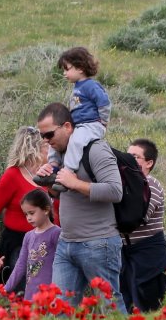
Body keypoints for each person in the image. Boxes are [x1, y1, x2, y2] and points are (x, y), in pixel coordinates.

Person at [37, 102, 124, 309]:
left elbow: (115, 191)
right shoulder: (62, 155)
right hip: (66, 243)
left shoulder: (95, 149)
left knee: (109, 307)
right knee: (59, 309)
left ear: (67, 126)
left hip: (98, 243)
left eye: (49, 135)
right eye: (42, 137)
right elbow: (61, 193)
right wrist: (50, 182)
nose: (47, 141)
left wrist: (75, 183)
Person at [0, 126, 50, 288]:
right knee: (20, 295)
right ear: (36, 150)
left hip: (49, 243)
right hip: (19, 246)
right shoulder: (13, 175)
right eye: (48, 146)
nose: (52, 151)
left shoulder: (51, 174)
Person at [38, 48, 111, 192]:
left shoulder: (90, 85)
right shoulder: (77, 87)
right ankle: (53, 166)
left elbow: (104, 103)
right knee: (57, 140)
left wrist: (103, 122)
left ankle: (68, 172)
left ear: (80, 68)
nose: (64, 74)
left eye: (67, 69)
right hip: (79, 125)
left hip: (91, 125)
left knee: (75, 142)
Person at [122, 138, 166, 311]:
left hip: (149, 253)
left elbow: (136, 217)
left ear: (149, 163)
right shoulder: (124, 184)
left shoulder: (151, 184)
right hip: (126, 253)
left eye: (135, 157)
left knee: (151, 304)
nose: (129, 160)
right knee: (128, 303)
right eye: (127, 156)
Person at [4, 190, 60, 301]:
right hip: (30, 295)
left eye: (32, 213)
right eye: (26, 214)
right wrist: (6, 288)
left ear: (46, 209)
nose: (28, 218)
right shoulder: (28, 236)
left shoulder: (56, 233)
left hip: (50, 295)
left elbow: (62, 265)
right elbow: (20, 265)